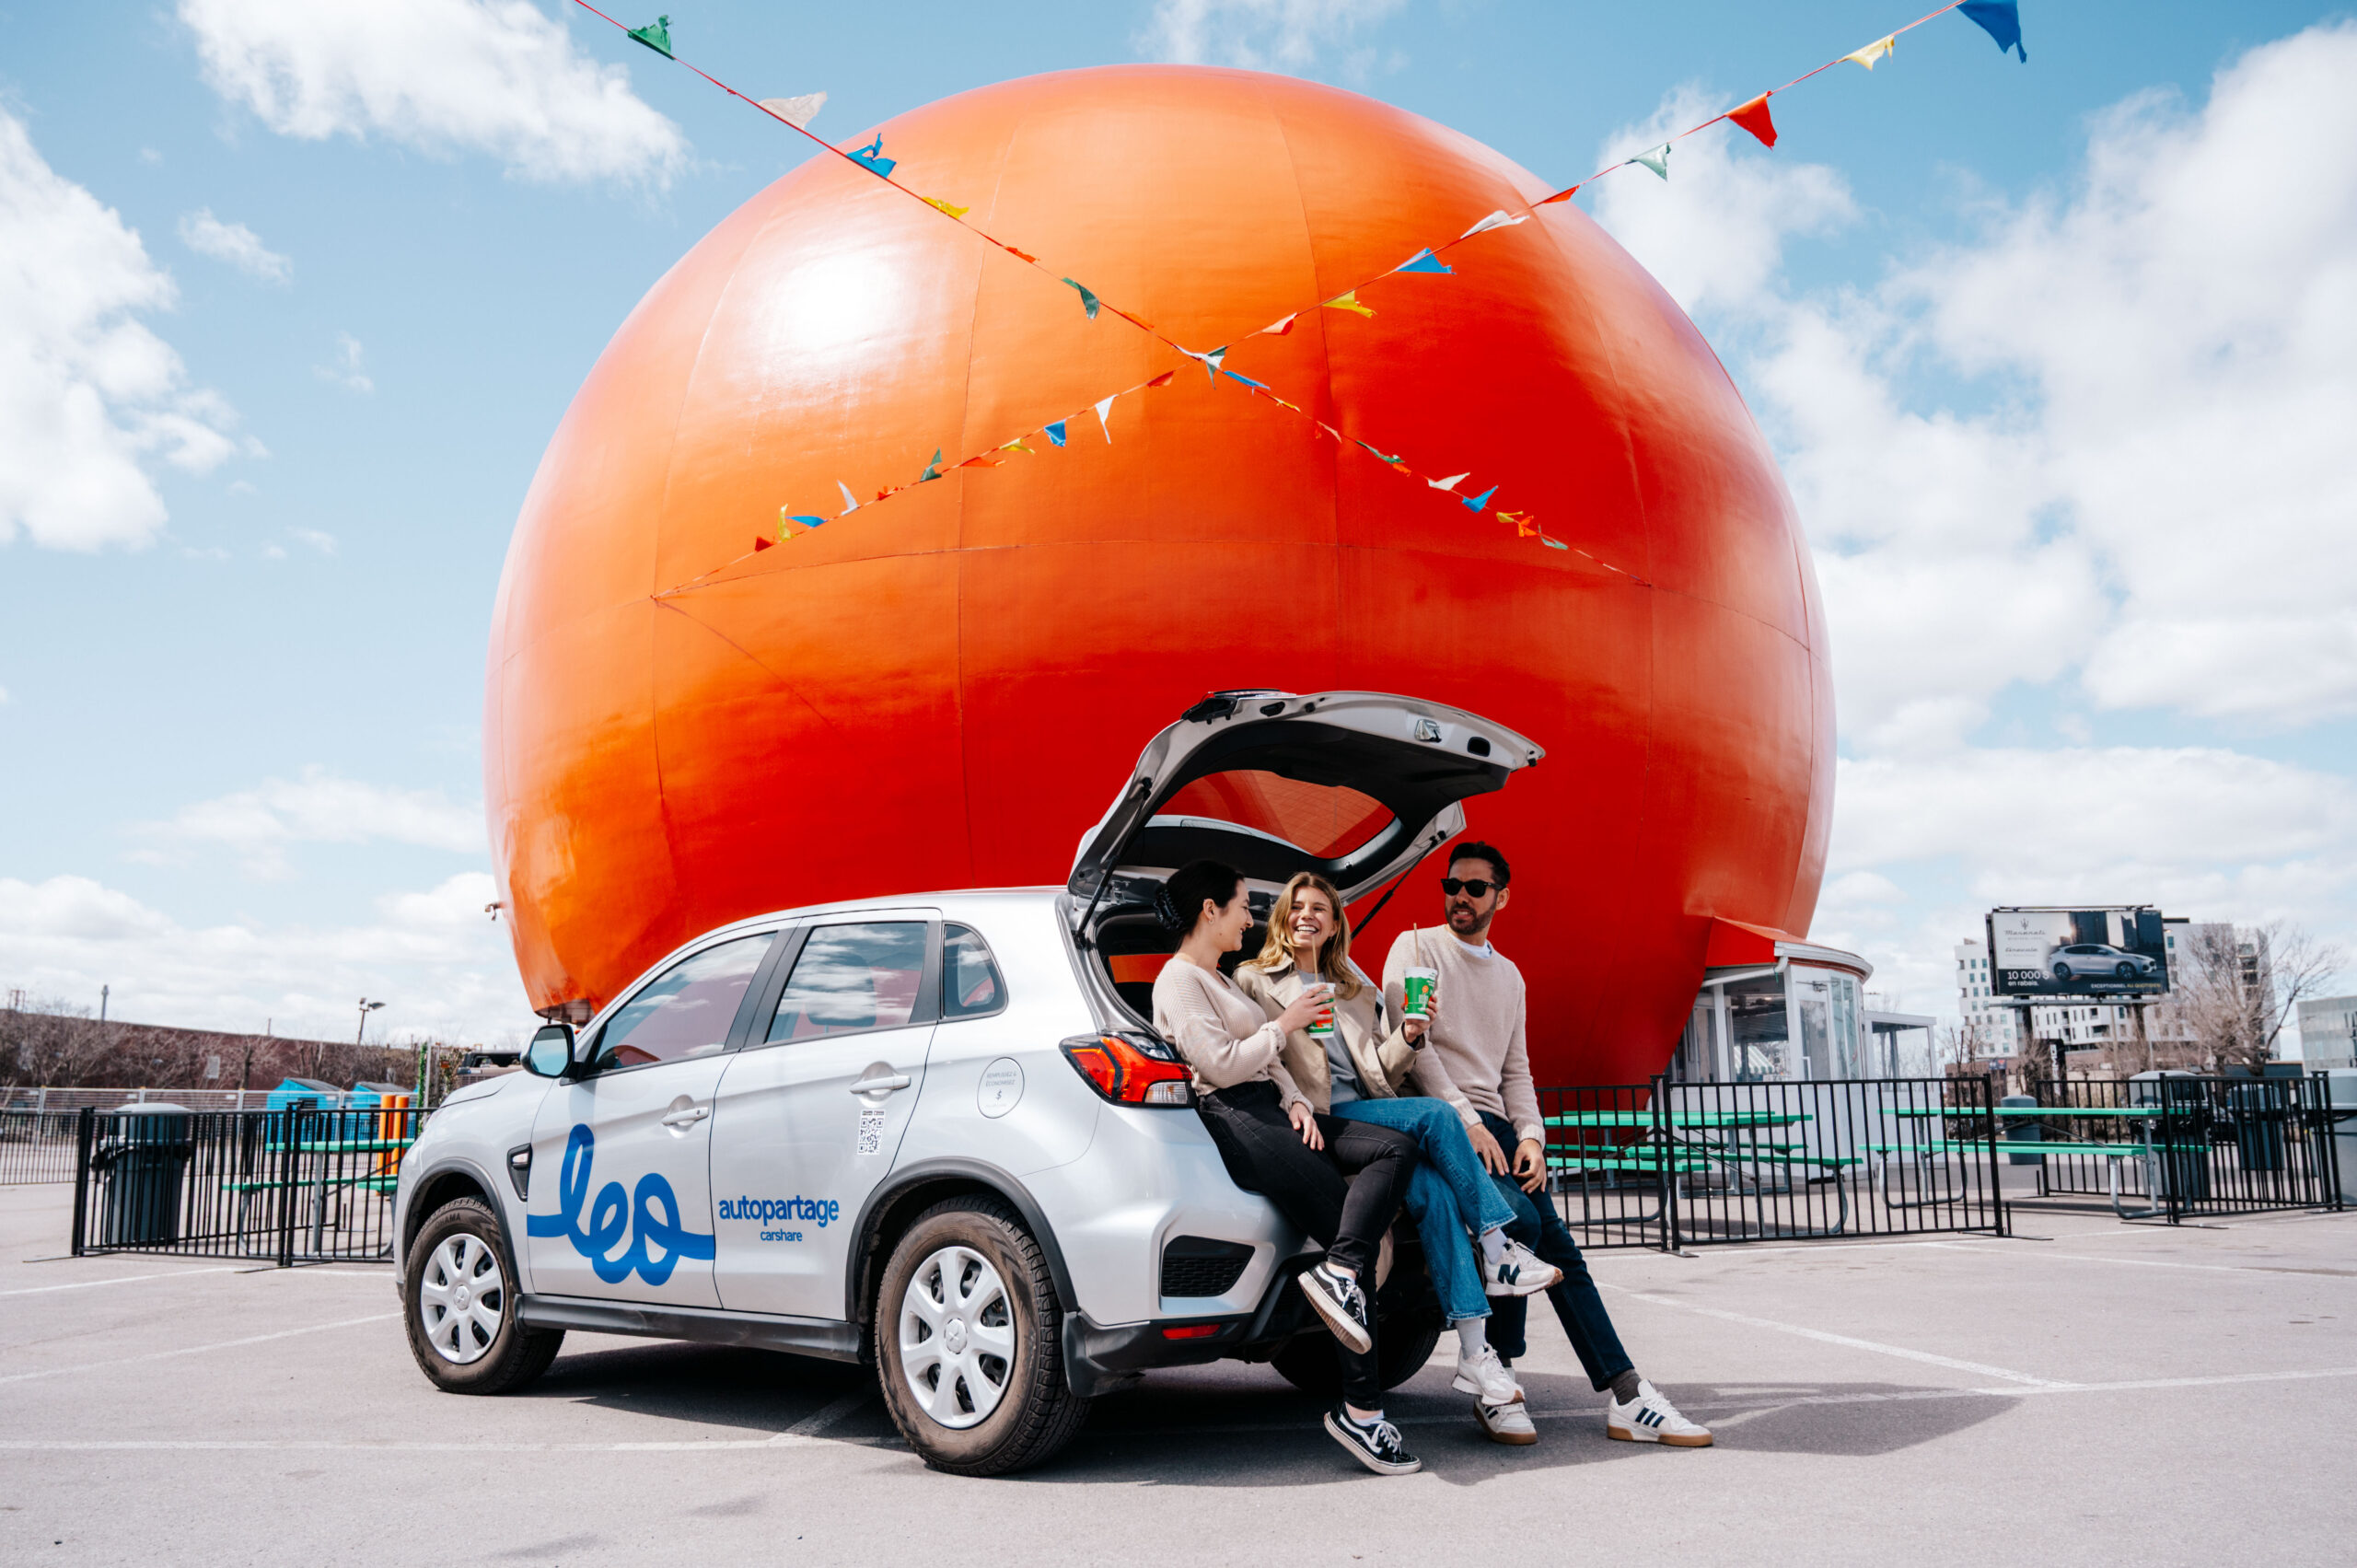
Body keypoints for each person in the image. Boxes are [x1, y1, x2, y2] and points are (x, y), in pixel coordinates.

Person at [1381, 841, 1713, 1448]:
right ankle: (1499, 1372)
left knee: (1564, 1257)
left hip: (1499, 1127)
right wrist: (1464, 1120)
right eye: (1451, 885)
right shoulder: (1417, 946)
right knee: (1524, 1222)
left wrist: (1533, 1136)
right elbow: (1414, 1047)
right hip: (1441, 1121)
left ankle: (1628, 1394)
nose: (1459, 896)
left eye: (1474, 888)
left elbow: (1516, 1071)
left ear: (1500, 897)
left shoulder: (1509, 976)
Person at [1237, 872, 1561, 1446]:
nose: (1306, 917)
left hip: (1369, 1113)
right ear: (1284, 917)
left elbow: (1381, 1074)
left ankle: (1473, 1350)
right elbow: (1259, 1061)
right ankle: (1496, 1245)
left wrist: (1410, 1033)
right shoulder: (1254, 980)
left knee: (1435, 1194)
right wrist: (1288, 1031)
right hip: (1319, 1118)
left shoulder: (1355, 988)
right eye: (1297, 908)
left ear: (1336, 924)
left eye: (1320, 910)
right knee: (1436, 1115)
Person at [1149, 858, 1425, 1476]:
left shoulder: (1217, 978)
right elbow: (1220, 1066)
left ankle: (1342, 1273)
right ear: (1209, 910)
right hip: (1239, 1117)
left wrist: (1299, 1100)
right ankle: (1363, 1413)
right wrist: (1284, 1024)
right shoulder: (1179, 981)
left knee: (1393, 1148)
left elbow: (1269, 1064)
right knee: (1349, 1240)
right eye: (1244, 905)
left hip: (1276, 1109)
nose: (1252, 918)